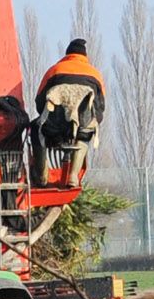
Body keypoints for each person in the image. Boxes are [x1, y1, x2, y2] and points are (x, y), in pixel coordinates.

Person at [33, 39, 106, 189]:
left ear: (67, 54)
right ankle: (73, 176)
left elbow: (40, 102)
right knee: (85, 133)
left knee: (35, 128)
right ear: (85, 56)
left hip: (53, 127)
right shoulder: (95, 74)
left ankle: (42, 176)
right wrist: (91, 122)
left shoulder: (55, 70)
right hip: (81, 128)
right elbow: (100, 107)